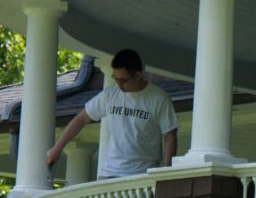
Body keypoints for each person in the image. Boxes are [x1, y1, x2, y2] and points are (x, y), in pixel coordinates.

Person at [46, 49, 178, 178]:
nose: (119, 85)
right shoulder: (110, 95)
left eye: (123, 80)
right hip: (109, 173)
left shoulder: (159, 98)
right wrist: (57, 148)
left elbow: (170, 136)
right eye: (116, 79)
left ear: (137, 76)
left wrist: (166, 173)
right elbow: (81, 119)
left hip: (141, 175)